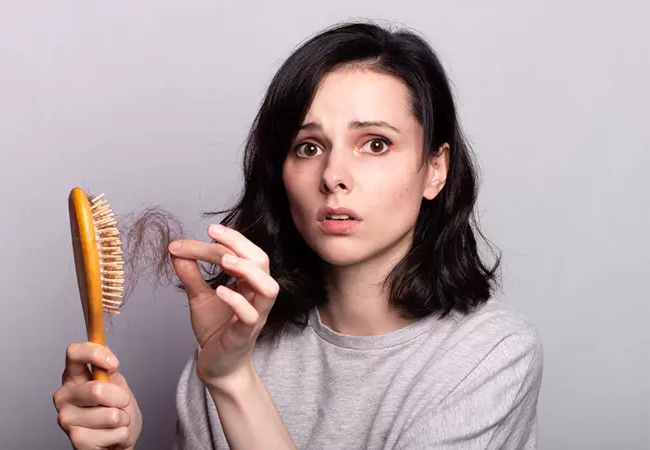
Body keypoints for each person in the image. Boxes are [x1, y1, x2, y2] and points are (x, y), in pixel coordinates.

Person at [53, 21, 544, 450]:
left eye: (375, 144)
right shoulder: (236, 338)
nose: (333, 175)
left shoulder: (488, 356)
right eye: (308, 147)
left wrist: (232, 381)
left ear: (435, 170)